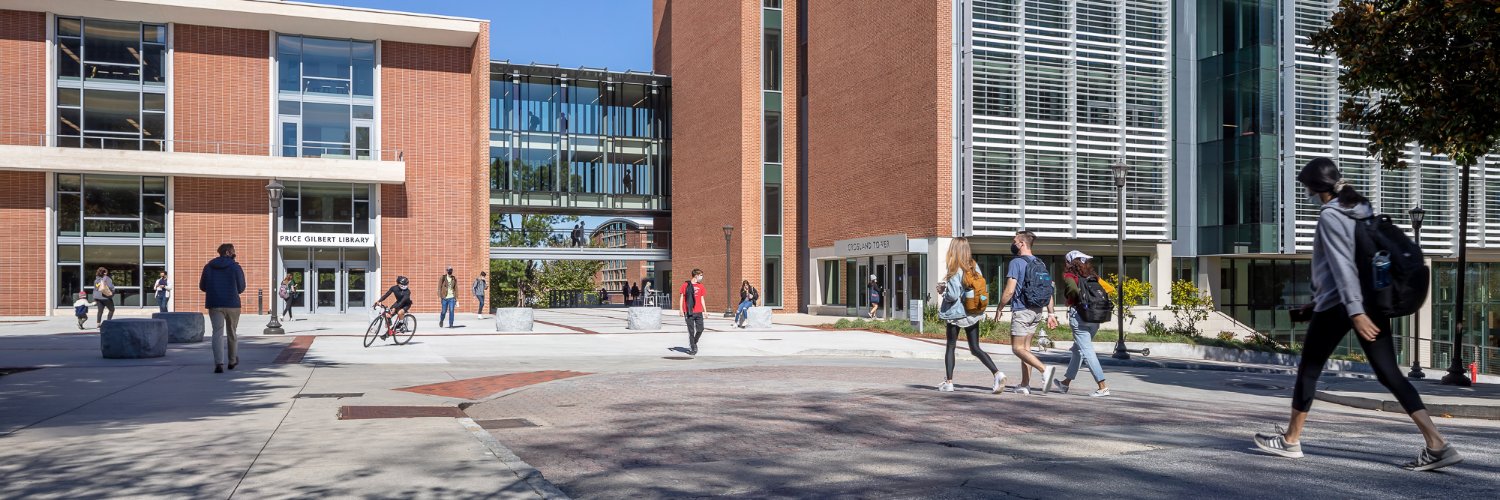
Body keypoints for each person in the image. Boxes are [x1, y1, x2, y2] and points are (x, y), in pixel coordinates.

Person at [1254, 158, 1461, 471]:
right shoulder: (1360, 208)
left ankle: (1291, 440)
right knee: (1389, 373)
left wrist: (1354, 312)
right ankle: (1437, 444)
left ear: (1315, 188)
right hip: (1368, 303)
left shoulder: (1331, 216)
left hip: (1342, 306)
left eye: (1306, 187)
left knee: (1309, 369)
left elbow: (1344, 268)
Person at [936, 237, 1008, 394]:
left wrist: (943, 292)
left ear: (953, 249)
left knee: (951, 346)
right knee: (975, 348)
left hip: (956, 314)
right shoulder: (974, 267)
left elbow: (954, 295)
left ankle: (949, 382)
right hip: (973, 312)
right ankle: (997, 373)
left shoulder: (954, 268)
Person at [994, 230, 1059, 394]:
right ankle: (1025, 384)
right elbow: (1048, 290)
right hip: (1037, 311)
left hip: (1022, 310)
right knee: (1026, 349)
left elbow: (1009, 290)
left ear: (1022, 243)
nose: (1013, 244)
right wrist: (1051, 313)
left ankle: (1045, 370)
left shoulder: (1016, 262)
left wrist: (1000, 308)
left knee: (1017, 349)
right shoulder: (1040, 263)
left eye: (1014, 241)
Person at [1055, 250, 1110, 397]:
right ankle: (1065, 383)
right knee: (1078, 350)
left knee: (1087, 352)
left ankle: (1102, 386)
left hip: (1079, 316)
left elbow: (1072, 289)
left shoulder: (1069, 276)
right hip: (1095, 317)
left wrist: (1072, 299)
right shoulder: (1093, 276)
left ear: (1070, 262)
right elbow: (1108, 289)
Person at [200, 243, 246, 374]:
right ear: (227, 252)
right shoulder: (235, 267)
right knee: (232, 332)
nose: (234, 253)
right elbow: (241, 287)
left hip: (214, 303)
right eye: (233, 251)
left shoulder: (208, 267)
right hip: (232, 303)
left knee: (217, 333)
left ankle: (218, 363)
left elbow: (202, 286)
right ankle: (232, 360)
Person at [676, 269, 707, 355]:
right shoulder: (686, 285)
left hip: (699, 311)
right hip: (689, 311)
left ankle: (694, 342)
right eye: (700, 275)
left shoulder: (701, 286)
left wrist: (705, 310)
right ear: (696, 275)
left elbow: (702, 298)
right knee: (691, 331)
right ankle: (693, 348)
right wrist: (681, 309)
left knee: (700, 329)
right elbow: (682, 297)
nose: (701, 277)